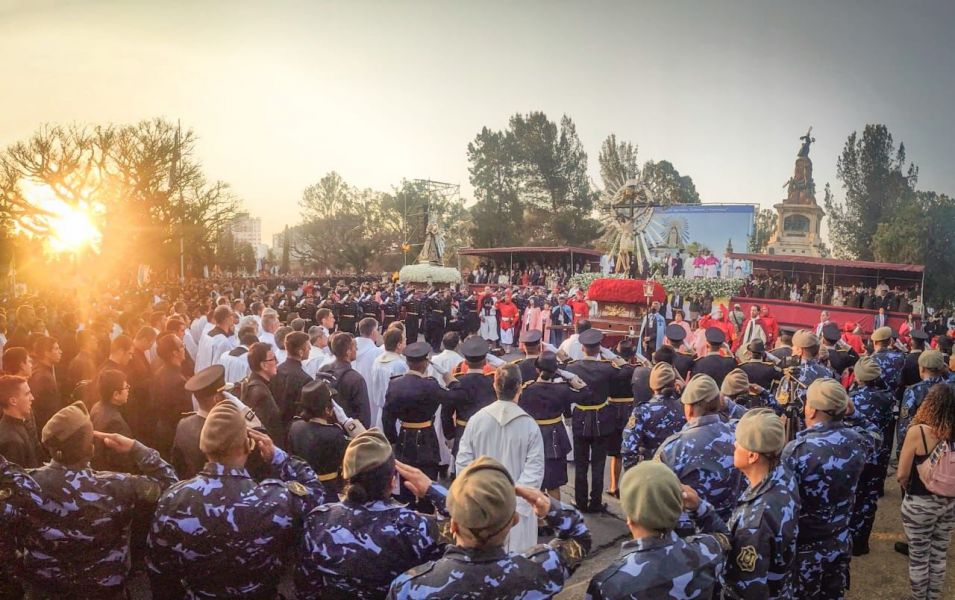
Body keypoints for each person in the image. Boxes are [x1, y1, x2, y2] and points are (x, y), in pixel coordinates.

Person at [148, 401, 324, 599]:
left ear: (203, 447)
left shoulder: (173, 500)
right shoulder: (276, 499)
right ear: (248, 445)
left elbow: (160, 574)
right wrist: (279, 457)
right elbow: (317, 496)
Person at [20, 401, 177, 598]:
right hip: (104, 593)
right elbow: (170, 486)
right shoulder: (119, 486)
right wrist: (135, 448)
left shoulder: (24, 484)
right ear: (91, 448)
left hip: (45, 592)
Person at [388, 456, 591, 599]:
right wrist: (549, 507)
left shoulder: (410, 588)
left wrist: (438, 494)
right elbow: (579, 537)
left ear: (453, 525)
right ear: (514, 521)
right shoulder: (541, 570)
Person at [297, 430, 449, 598]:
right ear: (392, 481)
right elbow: (467, 534)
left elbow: (306, 585)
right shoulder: (415, 527)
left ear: (346, 477)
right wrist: (433, 490)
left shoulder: (318, 520)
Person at [586, 461, 730, 599]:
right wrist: (699, 507)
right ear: (679, 508)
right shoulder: (708, 551)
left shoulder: (608, 585)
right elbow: (724, 537)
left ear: (630, 518)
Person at [782, 378, 867, 599]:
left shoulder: (797, 450)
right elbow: (875, 433)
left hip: (805, 551)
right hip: (839, 541)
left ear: (811, 410)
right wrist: (855, 413)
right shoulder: (858, 440)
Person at [455, 363, 545, 553]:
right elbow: (534, 471)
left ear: (494, 385)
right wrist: (514, 504)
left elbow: (463, 464)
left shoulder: (476, 420)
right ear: (520, 387)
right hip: (517, 510)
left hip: (481, 507)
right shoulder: (529, 426)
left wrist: (476, 496)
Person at [722, 409, 800, 599]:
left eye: (739, 442)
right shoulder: (783, 474)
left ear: (752, 456)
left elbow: (746, 589)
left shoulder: (754, 520)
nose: (734, 444)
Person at [383, 342, 465, 512]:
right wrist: (450, 380)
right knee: (427, 485)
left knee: (405, 484)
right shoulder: (431, 385)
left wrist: (393, 441)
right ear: (426, 363)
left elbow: (387, 418)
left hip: (404, 438)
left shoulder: (395, 384)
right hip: (427, 438)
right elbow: (455, 397)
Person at [895, 384, 955, 600]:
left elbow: (902, 473)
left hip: (920, 502)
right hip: (949, 503)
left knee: (919, 556)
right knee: (939, 554)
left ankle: (919, 597)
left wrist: (907, 488)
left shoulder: (918, 432)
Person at [656, 374, 741, 525]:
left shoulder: (674, 447)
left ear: (688, 409)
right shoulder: (739, 433)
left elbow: (655, 493)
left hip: (692, 534)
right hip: (733, 524)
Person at [564, 328, 629, 513]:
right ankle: (596, 502)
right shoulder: (608, 368)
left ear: (582, 348)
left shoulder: (572, 367)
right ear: (598, 348)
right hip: (602, 417)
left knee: (581, 464)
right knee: (599, 464)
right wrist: (608, 353)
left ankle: (581, 501)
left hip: (581, 417)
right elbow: (625, 369)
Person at [171, 365, 262, 479]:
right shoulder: (232, 429)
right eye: (224, 393)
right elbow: (256, 466)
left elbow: (178, 465)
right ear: (217, 399)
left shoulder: (183, 426)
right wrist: (244, 411)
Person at [848, 356, 896, 554]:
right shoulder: (888, 397)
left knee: (853, 497)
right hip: (879, 455)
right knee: (869, 499)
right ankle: (861, 543)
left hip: (857, 456)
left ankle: (849, 539)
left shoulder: (852, 398)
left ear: (858, 378)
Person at [518, 352, 580, 499]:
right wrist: (567, 376)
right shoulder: (562, 389)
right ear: (555, 371)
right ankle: (554, 516)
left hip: (532, 435)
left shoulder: (526, 390)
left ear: (537, 370)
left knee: (533, 481)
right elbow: (585, 392)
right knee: (553, 484)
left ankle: (536, 518)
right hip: (555, 436)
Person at [287, 379, 351, 496]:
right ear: (327, 409)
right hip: (327, 491)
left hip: (302, 489)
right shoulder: (334, 434)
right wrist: (347, 422)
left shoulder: (295, 428)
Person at [621, 362, 685, 470]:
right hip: (679, 471)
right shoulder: (685, 408)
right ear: (675, 384)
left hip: (652, 471)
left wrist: (631, 474)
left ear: (652, 385)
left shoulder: (642, 411)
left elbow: (628, 447)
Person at [320, 332, 372, 428]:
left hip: (324, 428)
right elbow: (364, 417)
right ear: (348, 352)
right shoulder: (356, 379)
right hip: (348, 432)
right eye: (354, 347)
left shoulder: (323, 370)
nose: (356, 349)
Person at [898, 350, 949, 447]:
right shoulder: (950, 386)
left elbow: (905, 423)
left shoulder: (914, 391)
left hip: (922, 444)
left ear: (922, 369)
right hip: (946, 444)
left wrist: (901, 448)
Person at [90, 369, 135, 473]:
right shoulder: (115, 422)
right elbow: (122, 460)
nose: (128, 390)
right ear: (116, 395)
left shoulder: (96, 407)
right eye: (126, 387)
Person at [241, 341, 284, 443]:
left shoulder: (250, 383)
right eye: (273, 359)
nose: (277, 362)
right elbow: (268, 431)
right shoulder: (261, 395)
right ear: (263, 365)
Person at [272, 330, 314, 435]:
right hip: (294, 431)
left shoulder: (276, 371)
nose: (310, 349)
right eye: (308, 346)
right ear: (301, 352)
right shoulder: (305, 379)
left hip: (275, 427)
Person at [0, 374, 44, 468]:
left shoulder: (19, 425)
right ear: (13, 401)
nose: (32, 398)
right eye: (27, 394)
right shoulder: (12, 442)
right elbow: (17, 479)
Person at [367, 328, 407, 430]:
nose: (405, 343)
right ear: (398, 345)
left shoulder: (378, 360)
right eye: (404, 341)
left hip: (381, 410)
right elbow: (402, 391)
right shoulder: (399, 364)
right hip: (396, 414)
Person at [28, 335, 62, 432]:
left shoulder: (40, 370)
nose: (60, 351)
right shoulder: (44, 377)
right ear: (47, 353)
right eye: (56, 349)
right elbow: (48, 409)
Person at [194, 305, 236, 373]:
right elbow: (221, 367)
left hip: (202, 375)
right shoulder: (223, 342)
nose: (233, 317)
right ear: (225, 318)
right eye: (231, 315)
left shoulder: (206, 335)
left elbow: (199, 358)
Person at [354, 317, 384, 384]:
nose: (378, 332)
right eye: (377, 329)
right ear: (373, 332)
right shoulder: (378, 353)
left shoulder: (350, 347)